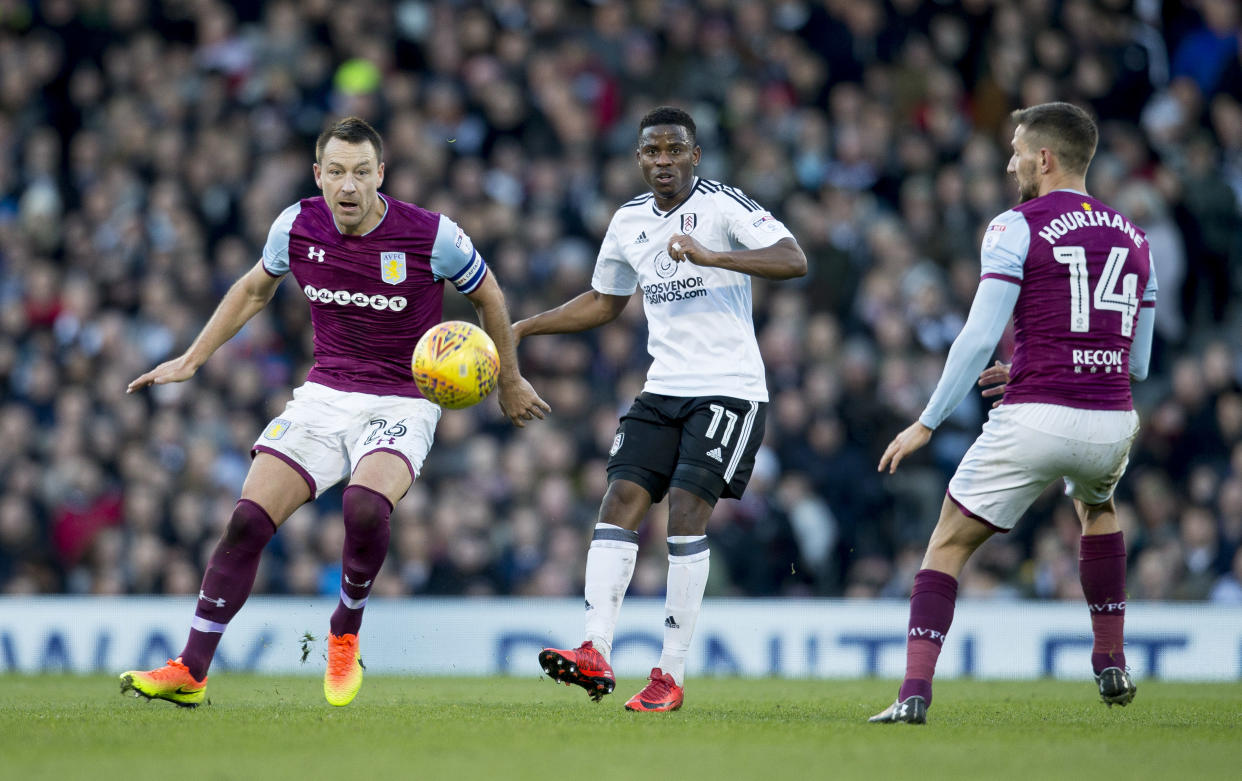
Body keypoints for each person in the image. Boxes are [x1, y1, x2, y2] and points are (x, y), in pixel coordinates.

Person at [119, 116, 549, 707]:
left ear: (381, 175)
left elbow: (489, 294)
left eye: (362, 172)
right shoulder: (296, 224)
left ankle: (344, 633)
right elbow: (252, 289)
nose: (349, 186)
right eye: (337, 172)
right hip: (324, 394)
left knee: (364, 506)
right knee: (245, 522)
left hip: (404, 397)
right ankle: (191, 671)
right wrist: (192, 359)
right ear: (318, 174)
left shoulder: (432, 235)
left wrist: (510, 378)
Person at [869, 102, 1156, 725]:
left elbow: (976, 339)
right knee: (1097, 506)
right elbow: (1138, 364)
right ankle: (1110, 657)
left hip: (1035, 416)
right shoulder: (1138, 238)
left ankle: (913, 692)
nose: (1010, 162)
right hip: (1111, 420)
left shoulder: (1014, 226)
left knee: (946, 544)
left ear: (1044, 159)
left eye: (1017, 150)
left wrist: (928, 420)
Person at [515, 106, 806, 712]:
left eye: (675, 150)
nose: (664, 161)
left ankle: (669, 676)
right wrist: (524, 327)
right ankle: (595, 649)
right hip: (663, 387)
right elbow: (604, 301)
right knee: (619, 499)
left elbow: (792, 258)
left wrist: (716, 257)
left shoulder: (725, 206)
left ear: (695, 156)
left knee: (684, 512)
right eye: (652, 151)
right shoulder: (627, 222)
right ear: (639, 159)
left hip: (729, 388)